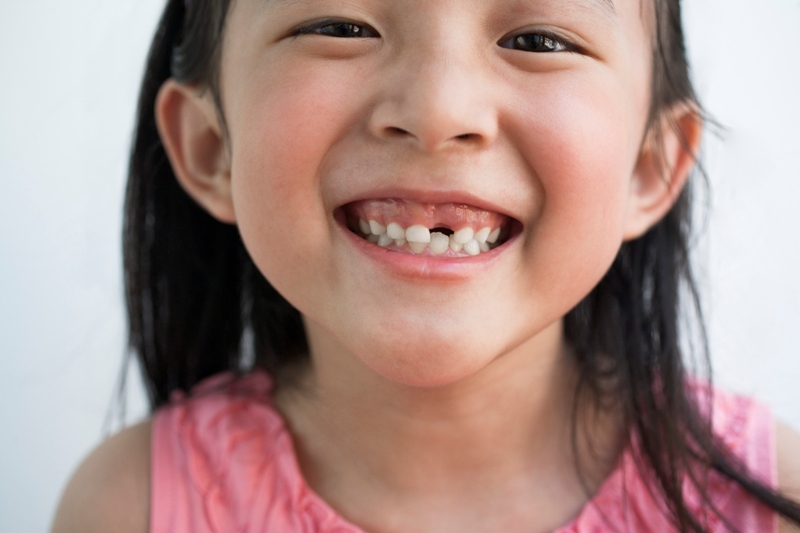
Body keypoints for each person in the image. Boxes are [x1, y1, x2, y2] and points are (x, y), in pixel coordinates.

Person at [51, 0, 800, 531]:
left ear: (647, 166)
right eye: (338, 26)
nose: (440, 109)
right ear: (213, 149)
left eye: (539, 40)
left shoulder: (770, 503)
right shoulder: (131, 509)